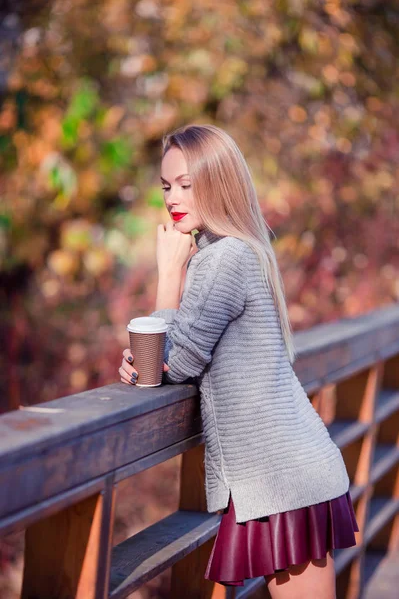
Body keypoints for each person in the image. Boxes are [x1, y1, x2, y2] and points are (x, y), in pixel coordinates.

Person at [119, 124, 359, 598]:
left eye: (187, 184)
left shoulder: (223, 260)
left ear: (217, 180)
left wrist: (169, 274)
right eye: (167, 186)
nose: (173, 197)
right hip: (284, 475)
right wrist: (143, 364)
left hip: (284, 480)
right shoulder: (235, 252)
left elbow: (180, 362)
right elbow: (166, 365)